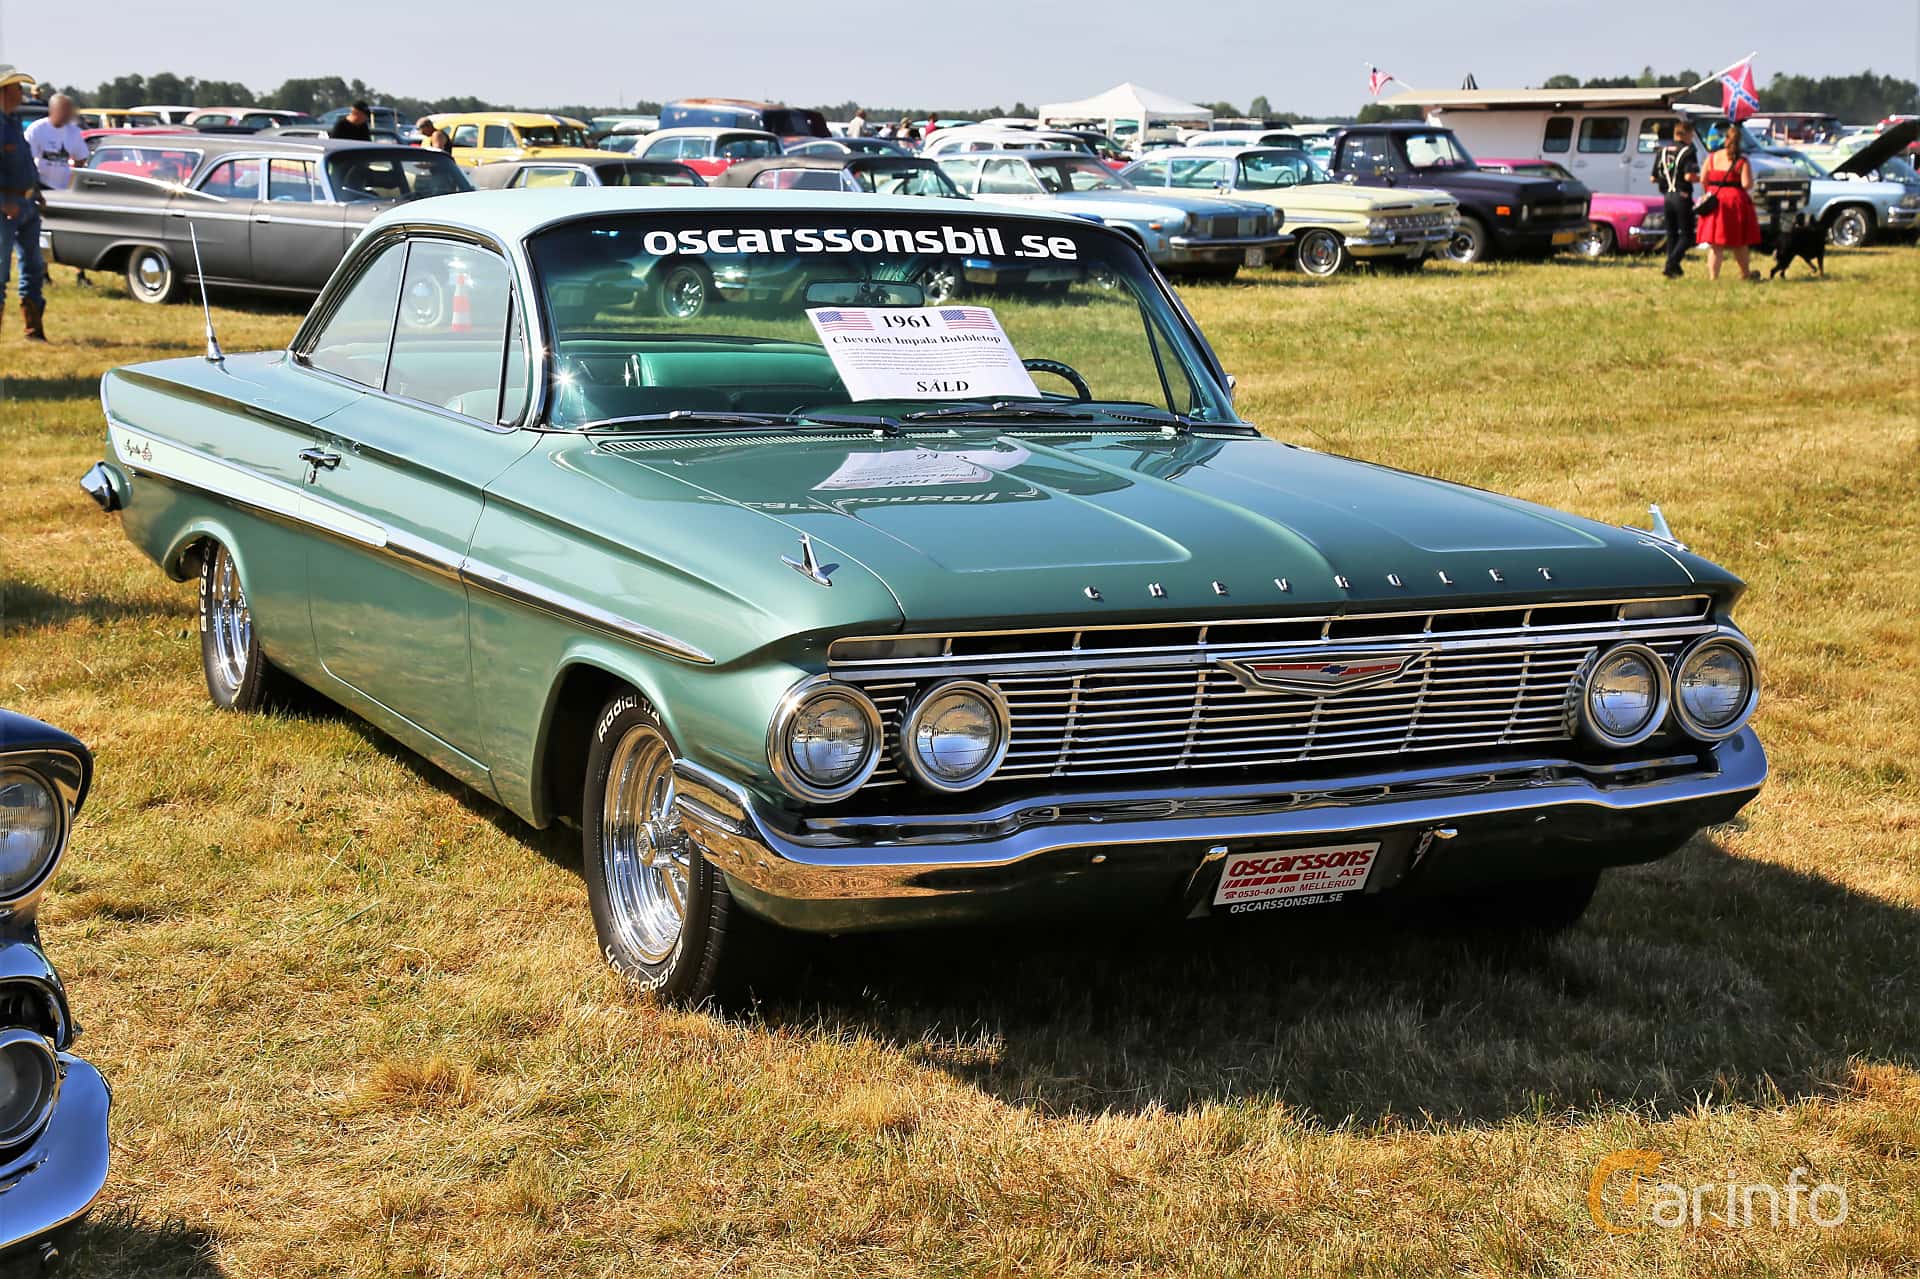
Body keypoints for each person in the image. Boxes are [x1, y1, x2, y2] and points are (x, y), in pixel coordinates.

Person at [0, 64, 48, 340]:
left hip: (26, 204)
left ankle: (34, 329)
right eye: (17, 87)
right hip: (6, 208)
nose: (22, 92)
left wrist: (36, 191)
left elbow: (25, 163)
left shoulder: (13, 121)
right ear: (5, 91)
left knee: (33, 266)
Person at [25, 93, 90, 286]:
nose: (69, 115)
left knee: (74, 229)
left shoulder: (73, 132)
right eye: (65, 110)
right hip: (42, 187)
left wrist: (74, 182)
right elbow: (27, 160)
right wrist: (34, 188)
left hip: (66, 190)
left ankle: (80, 274)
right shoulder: (37, 130)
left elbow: (80, 158)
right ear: (54, 110)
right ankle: (43, 274)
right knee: (43, 231)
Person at [1696, 125, 1761, 282]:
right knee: (1739, 242)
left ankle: (1713, 277)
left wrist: (1709, 192)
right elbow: (1746, 184)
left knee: (1715, 244)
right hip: (1735, 201)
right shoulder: (1742, 161)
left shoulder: (1712, 158)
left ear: (1725, 139)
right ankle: (1745, 273)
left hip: (1715, 200)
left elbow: (1702, 179)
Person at [1651, 119, 1700, 279]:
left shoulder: (1662, 151)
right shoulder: (1688, 151)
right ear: (1683, 134)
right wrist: (1703, 179)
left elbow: (1653, 178)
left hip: (1667, 197)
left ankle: (1673, 269)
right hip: (1682, 195)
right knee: (1688, 235)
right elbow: (1689, 175)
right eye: (1691, 135)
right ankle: (1671, 263)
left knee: (1672, 234)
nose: (1692, 138)